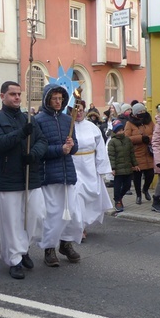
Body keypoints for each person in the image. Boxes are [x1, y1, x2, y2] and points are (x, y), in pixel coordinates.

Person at [0, 81, 48, 279]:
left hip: (31, 176)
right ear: (2, 95)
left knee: (34, 216)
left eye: (19, 94)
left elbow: (42, 140)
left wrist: (34, 154)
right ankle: (14, 259)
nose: (17, 97)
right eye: (12, 94)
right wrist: (21, 133)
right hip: (8, 178)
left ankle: (23, 248)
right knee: (11, 222)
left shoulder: (28, 118)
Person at [33, 84, 82, 267]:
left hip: (67, 173)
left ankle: (66, 243)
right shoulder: (38, 120)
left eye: (60, 99)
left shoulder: (67, 119)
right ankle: (49, 248)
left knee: (73, 214)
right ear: (47, 99)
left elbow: (74, 147)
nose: (58, 102)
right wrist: (59, 149)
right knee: (52, 214)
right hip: (49, 174)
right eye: (54, 98)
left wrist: (71, 145)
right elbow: (39, 149)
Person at [70, 101, 113, 238]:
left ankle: (83, 223)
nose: (79, 113)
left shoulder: (92, 127)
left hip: (89, 166)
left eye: (81, 110)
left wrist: (102, 168)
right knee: (77, 195)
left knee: (89, 196)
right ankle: (79, 227)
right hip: (74, 165)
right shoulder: (67, 127)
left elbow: (100, 148)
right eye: (76, 110)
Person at [125, 103, 155, 205]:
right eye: (140, 112)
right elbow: (127, 138)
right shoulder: (129, 124)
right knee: (137, 176)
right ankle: (138, 195)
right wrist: (140, 138)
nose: (142, 113)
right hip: (136, 153)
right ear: (135, 113)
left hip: (149, 153)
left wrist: (148, 138)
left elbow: (156, 134)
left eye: (143, 111)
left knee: (150, 174)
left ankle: (145, 189)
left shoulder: (150, 122)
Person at [107, 120, 138, 212]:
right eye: (118, 130)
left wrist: (135, 164)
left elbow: (131, 153)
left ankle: (119, 197)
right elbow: (111, 156)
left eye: (122, 130)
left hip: (127, 167)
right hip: (118, 169)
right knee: (117, 185)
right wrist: (113, 168)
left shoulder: (127, 140)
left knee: (127, 185)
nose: (121, 132)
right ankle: (117, 201)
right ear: (115, 131)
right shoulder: (112, 142)